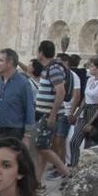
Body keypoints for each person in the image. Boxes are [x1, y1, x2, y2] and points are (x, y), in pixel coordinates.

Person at [30, 41, 70, 184]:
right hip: (45, 113)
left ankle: (66, 173)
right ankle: (36, 182)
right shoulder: (48, 69)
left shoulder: (53, 69)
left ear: (41, 52)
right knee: (42, 148)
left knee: (40, 146)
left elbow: (61, 91)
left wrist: (52, 114)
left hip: (49, 114)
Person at [69, 56, 98, 165]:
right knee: (74, 142)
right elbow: (85, 98)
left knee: (90, 145)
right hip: (85, 109)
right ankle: (74, 165)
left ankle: (85, 167)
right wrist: (76, 114)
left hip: (95, 112)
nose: (90, 68)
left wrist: (90, 123)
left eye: (92, 66)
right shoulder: (90, 80)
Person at [0, 49, 33, 142]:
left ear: (10, 62)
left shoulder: (23, 83)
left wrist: (27, 136)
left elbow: (29, 109)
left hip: (14, 132)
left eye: (1, 60)